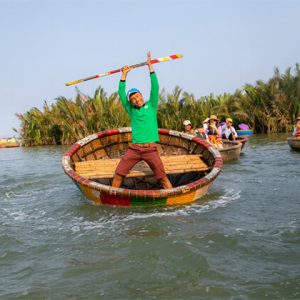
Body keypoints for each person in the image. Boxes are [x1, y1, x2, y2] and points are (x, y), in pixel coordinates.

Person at [112, 51, 173, 189]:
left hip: (150, 149)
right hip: (134, 149)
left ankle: (174, 203)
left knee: (162, 177)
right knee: (118, 174)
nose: (136, 100)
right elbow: (121, 93)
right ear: (131, 102)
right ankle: (111, 199)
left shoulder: (151, 106)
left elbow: (155, 86)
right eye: (133, 99)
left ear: (141, 95)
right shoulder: (131, 110)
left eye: (138, 97)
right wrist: (124, 74)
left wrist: (150, 66)